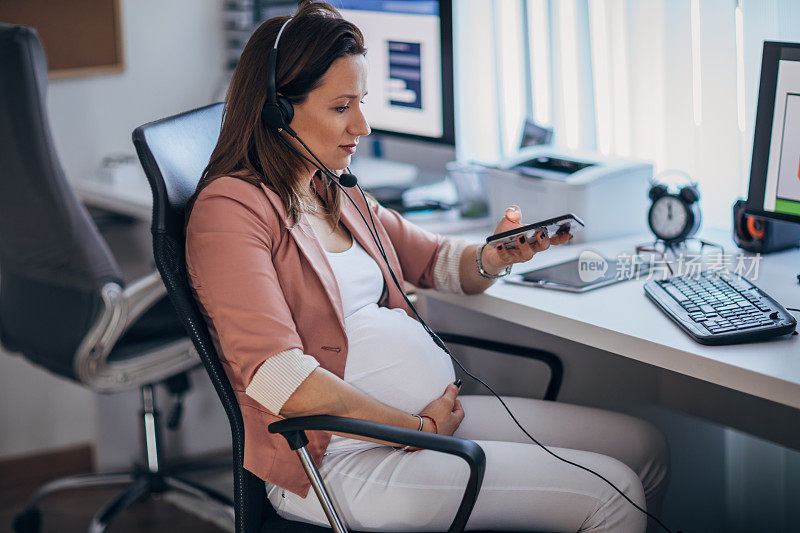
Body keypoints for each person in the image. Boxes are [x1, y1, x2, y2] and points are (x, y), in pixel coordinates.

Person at [185, 2, 669, 532]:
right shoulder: (231, 211)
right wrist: (412, 425)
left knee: (644, 448)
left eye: (361, 103)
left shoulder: (331, 188)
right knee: (612, 493)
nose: (363, 126)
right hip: (335, 459)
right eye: (342, 107)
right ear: (279, 111)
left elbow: (436, 261)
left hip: (425, 426)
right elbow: (279, 379)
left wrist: (494, 256)